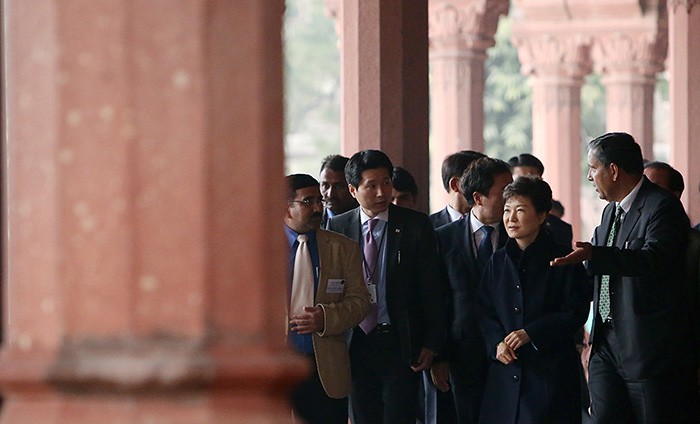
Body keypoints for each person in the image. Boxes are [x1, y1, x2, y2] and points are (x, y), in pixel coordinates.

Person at [551, 132, 697, 423]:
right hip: (605, 342)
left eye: (593, 168)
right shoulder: (609, 212)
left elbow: (654, 260)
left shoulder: (661, 207)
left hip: (646, 348)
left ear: (613, 170)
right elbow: (594, 264)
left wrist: (596, 255)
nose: (590, 177)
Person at [327, 149, 444, 424]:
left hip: (399, 341)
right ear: (353, 190)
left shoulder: (415, 225)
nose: (382, 192)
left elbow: (431, 287)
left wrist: (432, 342)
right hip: (354, 342)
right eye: (372, 185)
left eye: (386, 183)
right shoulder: (337, 227)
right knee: (362, 416)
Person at [476, 177, 590, 424]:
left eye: (520, 210)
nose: (511, 218)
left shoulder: (564, 260)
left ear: (541, 216)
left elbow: (576, 311)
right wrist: (496, 343)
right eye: (507, 210)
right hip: (505, 376)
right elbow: (484, 311)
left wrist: (532, 333)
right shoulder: (497, 261)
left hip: (550, 375)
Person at [432, 157, 513, 424]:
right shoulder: (442, 238)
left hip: (509, 352)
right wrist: (438, 357)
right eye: (504, 191)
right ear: (478, 198)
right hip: (460, 356)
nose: (510, 197)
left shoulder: (518, 237)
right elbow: (436, 300)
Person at [284, 174, 371, 424]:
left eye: (319, 201)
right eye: (307, 201)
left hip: (326, 369)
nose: (317, 208)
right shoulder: (260, 246)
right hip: (276, 365)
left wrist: (326, 317)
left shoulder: (342, 248)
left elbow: (360, 301)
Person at [508, 153, 573, 248]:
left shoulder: (560, 229)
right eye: (520, 181)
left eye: (532, 180)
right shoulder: (499, 224)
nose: (525, 187)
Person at [430, 151, 486, 229]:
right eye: (477, 181)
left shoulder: (495, 224)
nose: (485, 188)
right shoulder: (428, 226)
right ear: (455, 185)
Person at [320, 154, 359, 227]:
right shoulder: (312, 222)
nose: (330, 194)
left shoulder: (367, 221)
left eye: (338, 186)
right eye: (325, 186)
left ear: (352, 188)